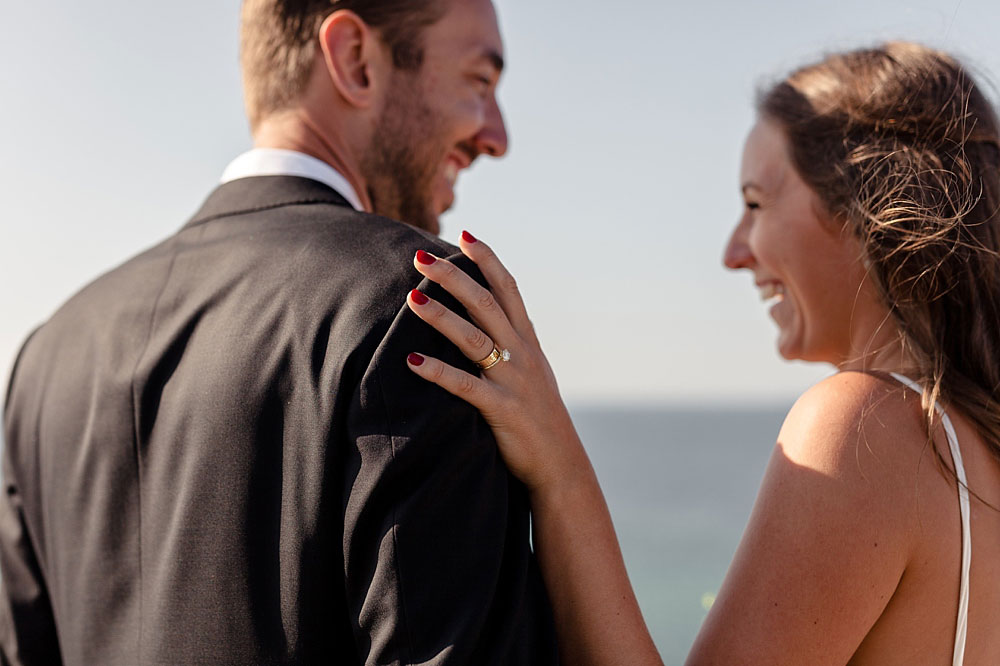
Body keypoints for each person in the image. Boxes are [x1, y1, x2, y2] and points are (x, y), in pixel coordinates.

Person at [402, 42, 1000, 664]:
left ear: (864, 206)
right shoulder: (972, 444)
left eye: (755, 204)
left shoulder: (865, 425)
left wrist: (559, 465)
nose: (733, 252)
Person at [0, 1, 559, 664]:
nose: (496, 137)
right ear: (355, 60)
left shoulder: (49, 354)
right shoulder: (422, 311)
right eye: (479, 82)